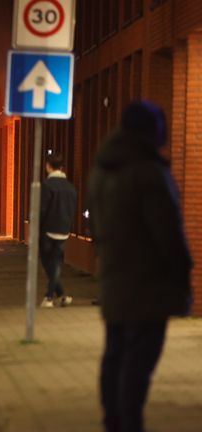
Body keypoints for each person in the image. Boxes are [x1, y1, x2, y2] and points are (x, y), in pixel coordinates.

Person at [88, 101, 192, 432]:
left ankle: (113, 422)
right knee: (137, 365)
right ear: (152, 131)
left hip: (115, 282)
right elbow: (168, 232)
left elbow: (96, 229)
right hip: (149, 286)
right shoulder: (148, 172)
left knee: (116, 356)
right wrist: (182, 270)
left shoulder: (103, 170)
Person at [39, 154, 77, 308]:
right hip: (63, 230)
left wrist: (37, 229)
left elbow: (42, 209)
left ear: (48, 166)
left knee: (49, 263)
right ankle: (62, 295)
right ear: (61, 168)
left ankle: (49, 297)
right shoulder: (70, 187)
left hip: (48, 231)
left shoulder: (47, 185)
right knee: (55, 263)